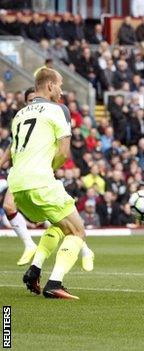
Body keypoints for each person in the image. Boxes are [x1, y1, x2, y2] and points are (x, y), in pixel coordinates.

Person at [17, 68, 94, 299]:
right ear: (50, 85)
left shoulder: (20, 114)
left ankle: (34, 270)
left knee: (60, 226)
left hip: (18, 185)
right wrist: (50, 168)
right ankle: (55, 283)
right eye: (59, 84)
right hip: (40, 180)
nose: (61, 90)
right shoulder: (57, 110)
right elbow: (63, 152)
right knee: (78, 231)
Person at [0, 87, 94, 269]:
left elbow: (62, 148)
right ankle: (31, 247)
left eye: (34, 99)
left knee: (60, 221)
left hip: (40, 173)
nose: (32, 103)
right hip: (23, 172)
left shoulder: (50, 116)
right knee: (10, 206)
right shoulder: (22, 118)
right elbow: (14, 144)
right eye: (29, 100)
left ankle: (83, 249)